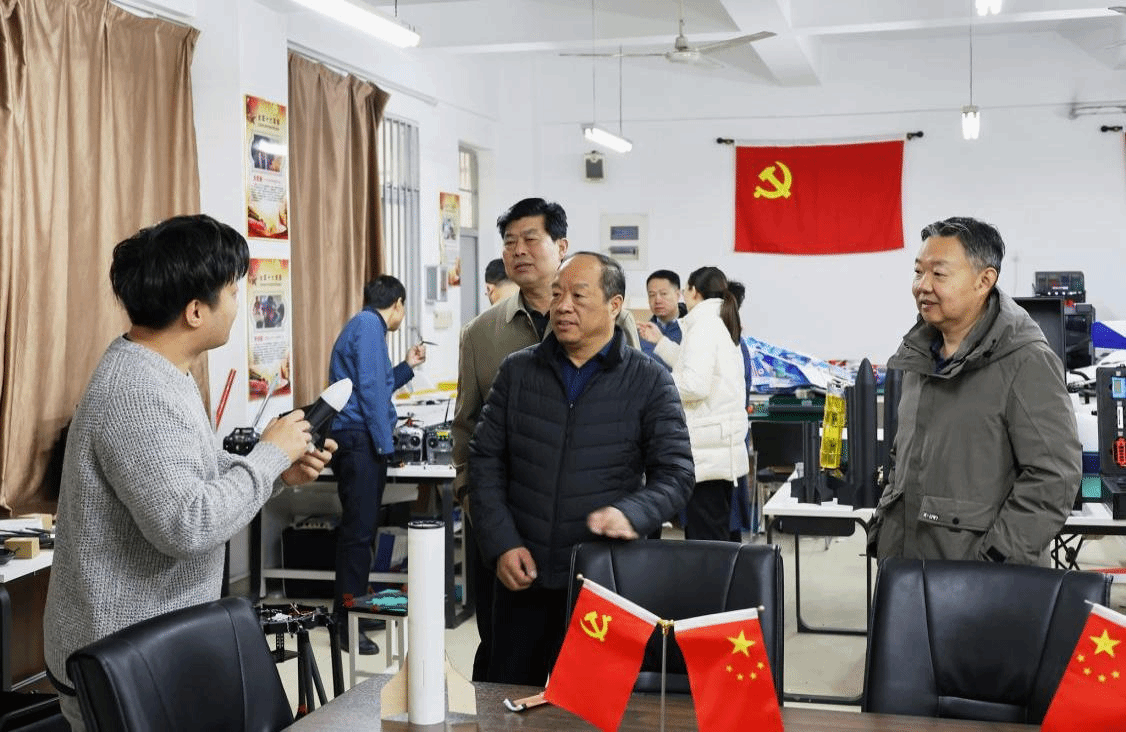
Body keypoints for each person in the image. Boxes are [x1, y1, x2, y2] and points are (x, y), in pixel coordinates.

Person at [42, 215, 335, 732]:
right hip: (120, 662)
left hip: (150, 647)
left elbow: (188, 476)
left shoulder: (160, 372)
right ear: (196, 311)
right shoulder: (137, 392)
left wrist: (276, 473)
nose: (238, 304)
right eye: (233, 292)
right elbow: (187, 525)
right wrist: (268, 456)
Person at [468, 252, 694, 686]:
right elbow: (484, 461)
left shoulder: (648, 381)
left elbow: (677, 473)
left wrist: (633, 513)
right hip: (522, 578)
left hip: (604, 581)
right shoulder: (518, 372)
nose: (563, 306)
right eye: (557, 294)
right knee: (510, 703)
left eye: (578, 295)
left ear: (614, 305)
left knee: (591, 703)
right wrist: (501, 544)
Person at [452, 197, 640, 682]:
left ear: (561, 246)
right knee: (506, 661)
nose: (518, 250)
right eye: (509, 242)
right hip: (506, 533)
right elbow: (468, 433)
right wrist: (484, 518)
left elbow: (631, 420)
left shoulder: (615, 324)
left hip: (589, 534)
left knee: (587, 669)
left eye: (530, 239)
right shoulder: (482, 334)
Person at [870, 217, 1081, 565]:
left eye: (939, 274)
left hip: (980, 577)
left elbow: (1054, 478)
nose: (922, 286)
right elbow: (904, 457)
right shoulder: (919, 356)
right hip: (909, 568)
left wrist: (994, 561)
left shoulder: (1026, 361)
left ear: (984, 280)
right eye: (918, 272)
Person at [328, 275, 426, 654]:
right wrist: (387, 447)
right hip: (358, 441)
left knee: (363, 532)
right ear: (397, 304)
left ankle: (356, 609)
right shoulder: (370, 326)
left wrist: (407, 366)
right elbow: (371, 394)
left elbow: (376, 385)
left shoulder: (363, 326)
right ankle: (345, 624)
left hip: (357, 438)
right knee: (357, 536)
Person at [639, 266, 749, 541]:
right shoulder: (719, 321)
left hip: (706, 452)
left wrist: (656, 386)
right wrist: (661, 343)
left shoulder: (703, 326)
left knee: (706, 538)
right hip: (718, 447)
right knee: (719, 533)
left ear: (692, 291)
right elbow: (695, 366)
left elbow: (695, 384)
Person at [638, 269, 685, 370]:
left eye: (663, 294)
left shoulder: (692, 328)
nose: (657, 300)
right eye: (652, 295)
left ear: (678, 295)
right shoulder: (641, 334)